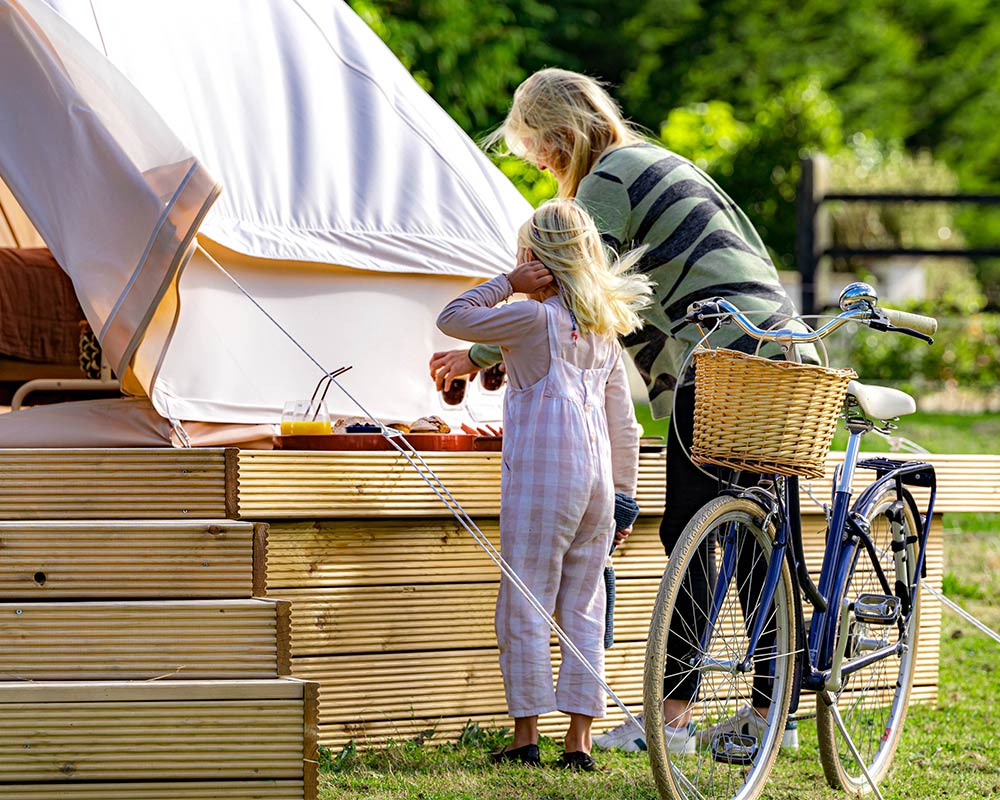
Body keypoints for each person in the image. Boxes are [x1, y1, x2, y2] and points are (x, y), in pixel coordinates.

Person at [429, 67, 815, 754]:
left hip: (722, 356)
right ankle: (770, 714)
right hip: (776, 349)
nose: (545, 166)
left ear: (563, 135)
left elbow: (578, 291)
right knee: (761, 538)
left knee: (692, 535)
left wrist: (479, 356)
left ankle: (670, 722)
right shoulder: (658, 160)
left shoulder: (609, 176)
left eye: (541, 151)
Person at [436, 198, 652, 771]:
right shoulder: (603, 331)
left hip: (545, 478)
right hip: (599, 483)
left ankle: (525, 734)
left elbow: (453, 318)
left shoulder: (531, 317)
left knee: (526, 598)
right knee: (585, 602)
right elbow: (624, 425)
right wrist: (626, 501)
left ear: (534, 258)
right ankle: (578, 741)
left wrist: (505, 282)